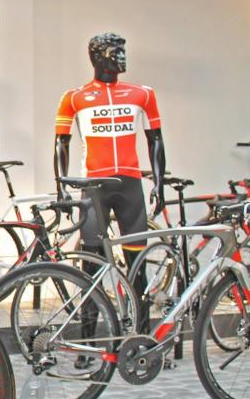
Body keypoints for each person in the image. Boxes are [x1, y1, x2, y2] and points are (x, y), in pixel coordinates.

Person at [54, 32, 166, 337]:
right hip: (93, 188)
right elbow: (60, 144)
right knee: (91, 267)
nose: (123, 58)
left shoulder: (142, 94)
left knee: (137, 265)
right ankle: (88, 340)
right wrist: (61, 187)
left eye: (123, 51)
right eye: (117, 52)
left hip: (130, 185)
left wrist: (159, 184)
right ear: (99, 56)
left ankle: (141, 336)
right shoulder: (74, 97)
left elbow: (155, 140)